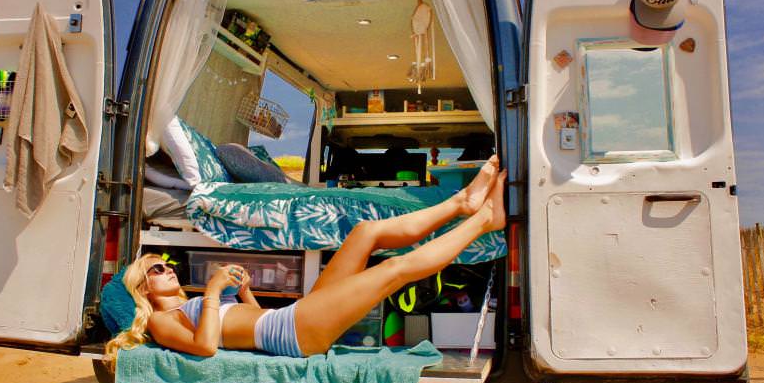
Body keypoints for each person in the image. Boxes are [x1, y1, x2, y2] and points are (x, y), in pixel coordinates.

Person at [104, 157, 506, 366]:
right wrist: (211, 291)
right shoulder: (161, 321)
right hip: (298, 333)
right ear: (143, 289)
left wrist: (244, 293)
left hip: (292, 317)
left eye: (166, 263)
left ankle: (462, 203)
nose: (168, 268)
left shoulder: (189, 308)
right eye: (156, 268)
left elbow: (251, 325)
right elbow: (206, 348)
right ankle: (486, 220)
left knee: (364, 232)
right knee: (392, 270)